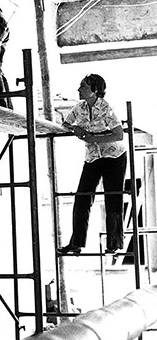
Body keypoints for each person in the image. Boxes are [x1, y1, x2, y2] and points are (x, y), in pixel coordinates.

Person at [57, 74, 127, 255]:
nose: (79, 89)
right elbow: (65, 124)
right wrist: (75, 129)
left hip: (114, 156)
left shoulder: (106, 107)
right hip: (93, 157)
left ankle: (114, 244)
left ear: (95, 90)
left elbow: (119, 134)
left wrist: (93, 138)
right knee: (82, 197)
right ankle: (76, 244)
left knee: (113, 198)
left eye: (83, 86)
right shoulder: (79, 107)